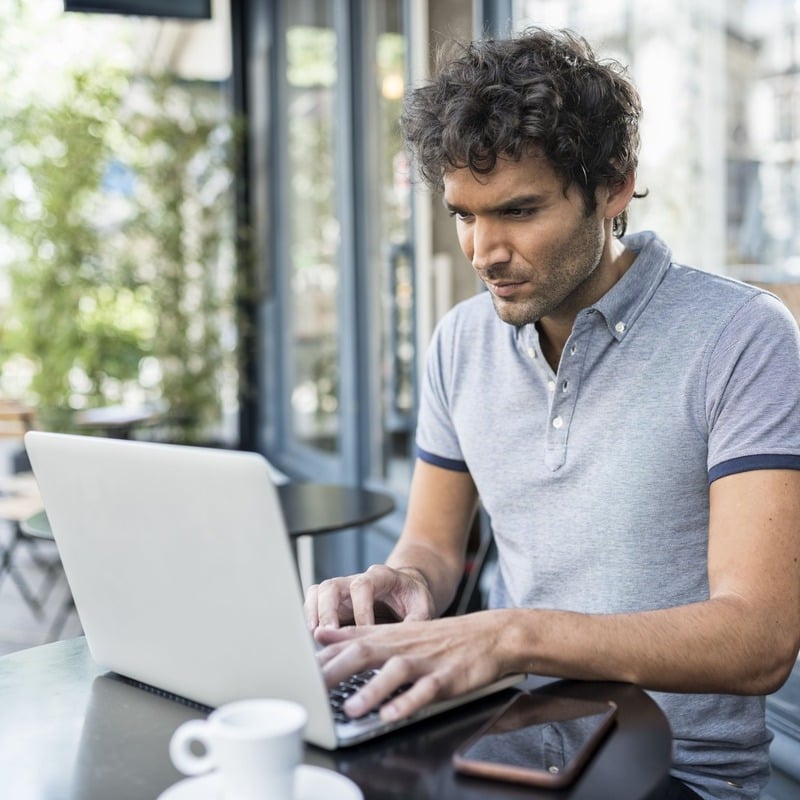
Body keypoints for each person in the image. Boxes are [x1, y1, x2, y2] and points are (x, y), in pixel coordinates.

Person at [304, 27, 800, 800]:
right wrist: (397, 582)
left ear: (611, 184)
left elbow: (758, 639)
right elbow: (431, 549)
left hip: (676, 775)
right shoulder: (460, 341)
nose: (482, 250)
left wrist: (514, 634)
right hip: (500, 745)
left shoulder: (742, 338)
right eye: (463, 214)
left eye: (518, 210)